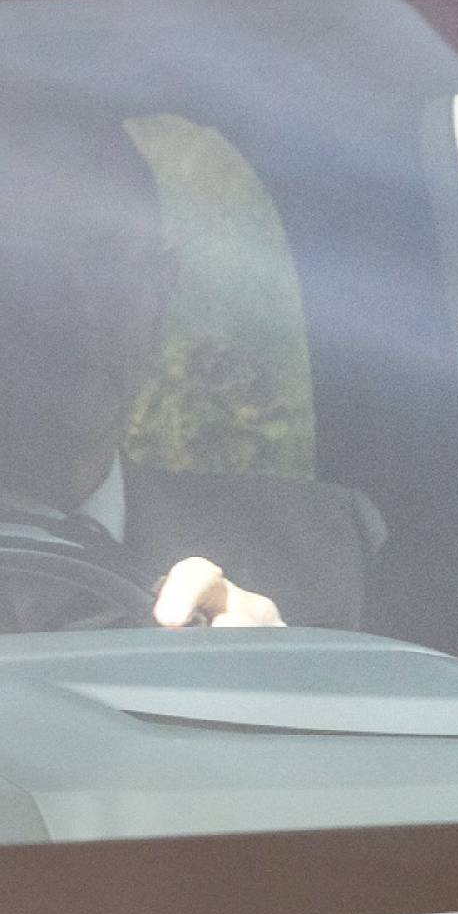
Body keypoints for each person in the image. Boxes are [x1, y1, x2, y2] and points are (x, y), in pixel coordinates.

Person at [0, 92, 377, 629]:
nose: (79, 306)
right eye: (26, 266)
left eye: (109, 264)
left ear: (160, 292)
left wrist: (288, 669)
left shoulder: (324, 556)